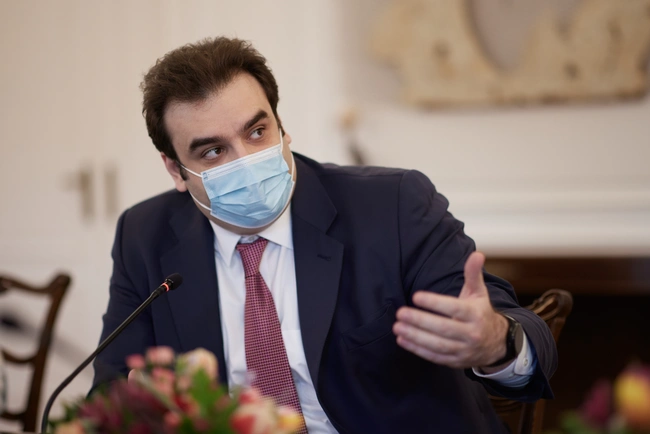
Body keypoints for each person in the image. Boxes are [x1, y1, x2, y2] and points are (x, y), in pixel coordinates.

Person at [93, 37, 557, 433]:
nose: (246, 160)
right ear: (175, 170)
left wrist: (495, 343)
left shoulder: (391, 206)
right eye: (213, 151)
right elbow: (111, 394)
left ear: (282, 128)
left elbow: (522, 335)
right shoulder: (145, 236)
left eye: (257, 131)